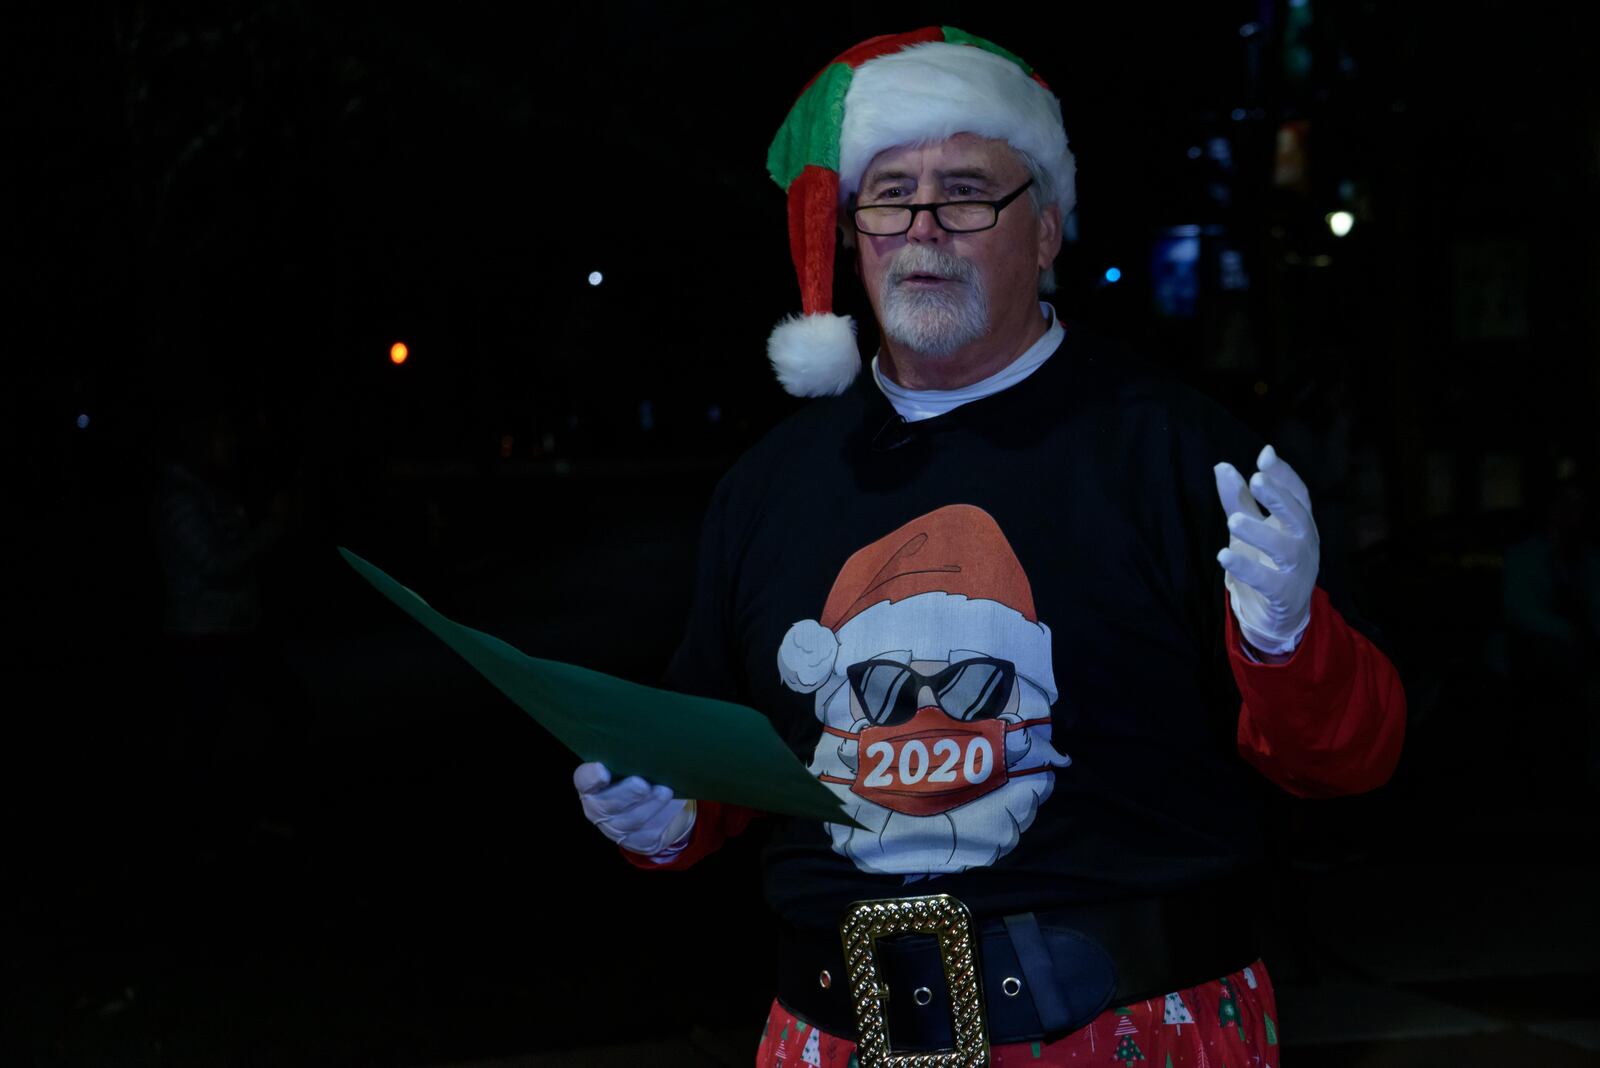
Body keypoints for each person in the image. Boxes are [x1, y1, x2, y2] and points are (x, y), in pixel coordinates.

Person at [573, 28, 1405, 1067]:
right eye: (889, 196)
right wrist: (664, 814)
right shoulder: (768, 487)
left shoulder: (1179, 453)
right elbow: (721, 763)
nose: (924, 229)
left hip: (1133, 1033)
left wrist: (1288, 643)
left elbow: (1353, 760)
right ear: (851, 231)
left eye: (966, 192)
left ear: (1046, 229)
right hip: (826, 1038)